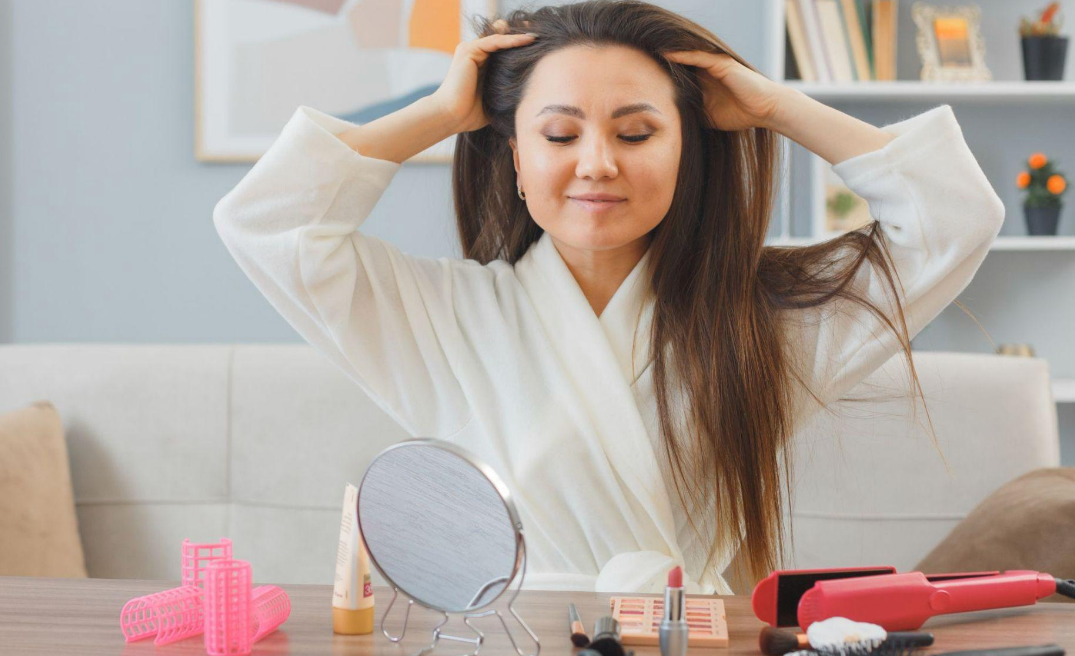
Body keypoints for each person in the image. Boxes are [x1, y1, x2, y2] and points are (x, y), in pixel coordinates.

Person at [214, 0, 1004, 594]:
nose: (596, 163)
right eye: (560, 136)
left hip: (691, 640)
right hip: (522, 639)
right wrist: (440, 113)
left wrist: (774, 108)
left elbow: (956, 221)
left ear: (686, 151)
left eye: (635, 134)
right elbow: (266, 225)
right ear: (515, 158)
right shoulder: (441, 318)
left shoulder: (757, 323)